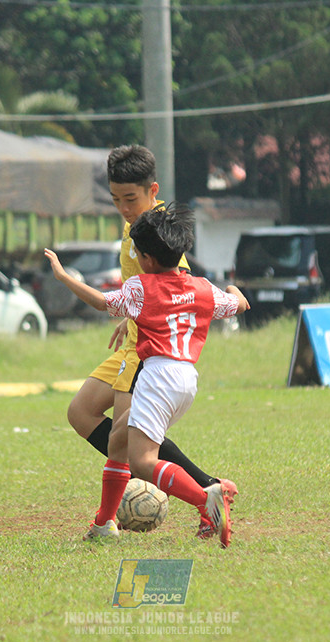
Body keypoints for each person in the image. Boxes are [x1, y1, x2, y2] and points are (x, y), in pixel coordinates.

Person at [45, 203, 250, 548]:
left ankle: (208, 500)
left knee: (142, 462)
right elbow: (240, 304)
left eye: (138, 254)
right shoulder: (201, 287)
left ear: (149, 259)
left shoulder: (141, 287)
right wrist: (231, 289)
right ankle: (102, 524)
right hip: (186, 380)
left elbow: (101, 302)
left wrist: (64, 277)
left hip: (157, 377)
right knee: (117, 440)